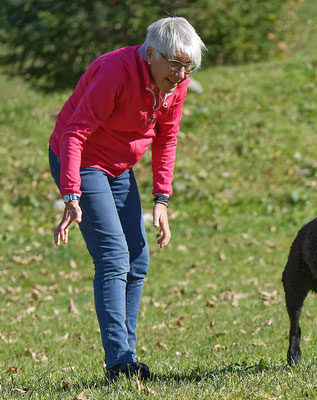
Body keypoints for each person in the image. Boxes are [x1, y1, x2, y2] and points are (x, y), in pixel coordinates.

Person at [48, 17, 206, 380]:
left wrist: (161, 199)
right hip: (83, 159)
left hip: (119, 166)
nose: (182, 75)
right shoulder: (113, 72)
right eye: (175, 64)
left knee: (137, 259)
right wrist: (71, 193)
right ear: (150, 54)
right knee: (113, 257)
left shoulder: (174, 85)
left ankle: (128, 358)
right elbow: (75, 133)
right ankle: (119, 362)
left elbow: (167, 137)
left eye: (189, 67)